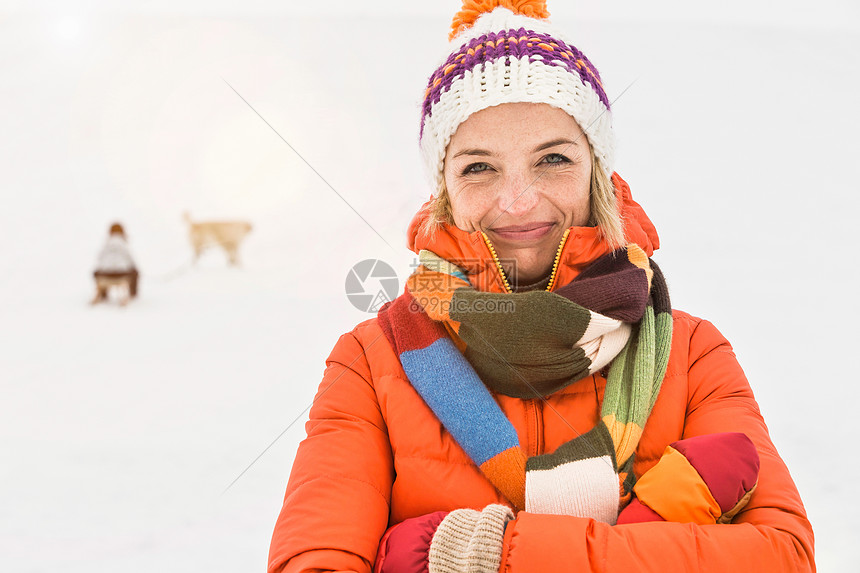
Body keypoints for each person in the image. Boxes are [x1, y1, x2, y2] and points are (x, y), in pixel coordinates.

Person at [267, 1, 814, 571]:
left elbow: (782, 557)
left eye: (552, 158)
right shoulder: (369, 361)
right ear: (444, 188)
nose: (518, 201)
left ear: (596, 172)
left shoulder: (694, 354)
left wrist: (495, 554)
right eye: (479, 167)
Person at [91, 222, 139, 304]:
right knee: (135, 272)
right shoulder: (123, 243)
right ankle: (133, 293)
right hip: (122, 274)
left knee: (94, 272)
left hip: (104, 275)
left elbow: (99, 258)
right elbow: (131, 260)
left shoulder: (106, 243)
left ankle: (103, 294)